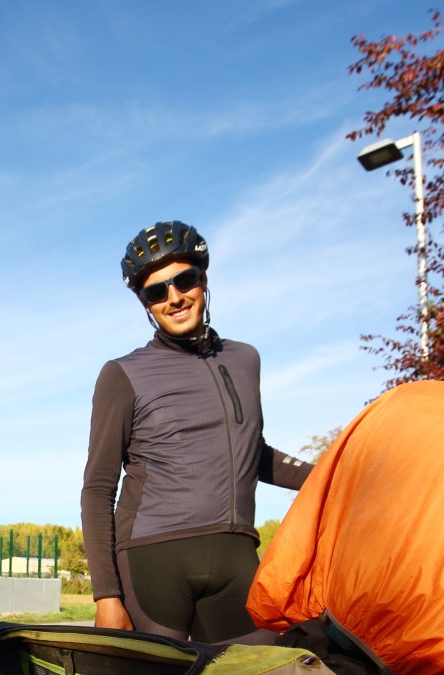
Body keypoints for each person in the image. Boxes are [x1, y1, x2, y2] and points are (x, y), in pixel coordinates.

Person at [79, 221, 313, 645]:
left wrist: (333, 473)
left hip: (236, 555)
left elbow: (250, 453)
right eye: (156, 292)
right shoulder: (122, 374)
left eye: (184, 280)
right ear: (146, 304)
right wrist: (106, 596)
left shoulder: (245, 360)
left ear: (203, 280)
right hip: (152, 561)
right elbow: (97, 488)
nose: (174, 298)